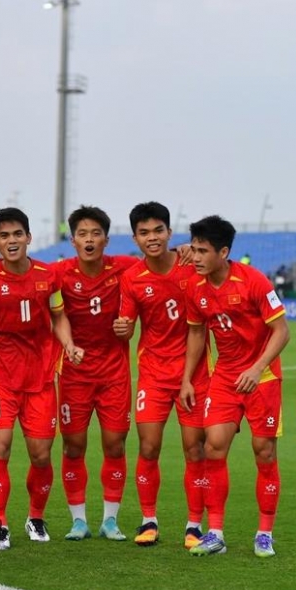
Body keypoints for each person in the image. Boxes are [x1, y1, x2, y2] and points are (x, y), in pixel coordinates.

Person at [0, 207, 82, 550]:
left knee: (41, 454)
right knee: (0, 446)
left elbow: (59, 315)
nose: (11, 241)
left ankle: (35, 517)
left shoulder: (48, 276)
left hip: (41, 378)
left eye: (17, 234)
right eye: (4, 236)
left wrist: (68, 344)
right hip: (0, 377)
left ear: (28, 237)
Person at [181, 215, 289, 558]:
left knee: (264, 452)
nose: (196, 257)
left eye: (203, 251)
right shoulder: (195, 287)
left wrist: (257, 368)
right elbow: (196, 332)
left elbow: (282, 331)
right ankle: (215, 533)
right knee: (213, 447)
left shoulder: (253, 281)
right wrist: (187, 378)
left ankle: (264, 533)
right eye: (194, 250)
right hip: (225, 378)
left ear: (224, 252)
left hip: (262, 378)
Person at [113, 202, 209, 549]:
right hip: (153, 374)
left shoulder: (191, 266)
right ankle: (148, 520)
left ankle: (194, 525)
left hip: (194, 374)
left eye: (158, 230)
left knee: (195, 449)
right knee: (149, 446)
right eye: (144, 232)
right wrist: (123, 329)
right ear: (135, 238)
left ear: (170, 232)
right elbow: (126, 327)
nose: (152, 238)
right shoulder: (132, 278)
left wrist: (193, 250)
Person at [57, 206, 139, 542]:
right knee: (73, 446)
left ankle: (110, 520)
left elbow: (159, 261)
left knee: (115, 445)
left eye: (95, 233)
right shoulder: (59, 273)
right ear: (73, 240)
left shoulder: (125, 267)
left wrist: (184, 250)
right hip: (74, 373)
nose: (89, 240)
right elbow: (25, 273)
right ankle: (78, 521)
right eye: (82, 234)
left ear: (106, 239)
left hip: (114, 374)